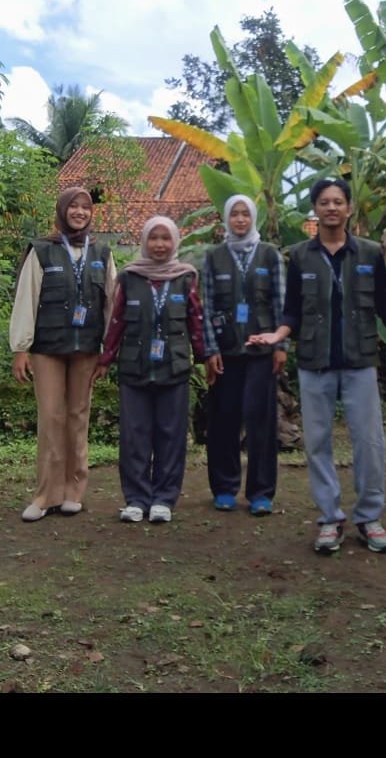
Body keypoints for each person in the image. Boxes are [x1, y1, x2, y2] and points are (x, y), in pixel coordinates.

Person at [247, 178, 386, 554]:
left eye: (338, 201)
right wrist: (278, 336)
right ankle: (330, 519)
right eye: (324, 202)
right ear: (316, 209)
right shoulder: (301, 255)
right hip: (314, 363)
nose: (332, 208)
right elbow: (291, 310)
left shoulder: (370, 254)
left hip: (359, 364)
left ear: (349, 208)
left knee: (369, 443)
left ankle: (369, 517)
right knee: (318, 443)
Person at [10, 187, 117, 522]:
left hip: (86, 348)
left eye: (86, 207)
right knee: (51, 418)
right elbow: (26, 299)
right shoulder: (42, 250)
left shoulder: (101, 251)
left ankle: (73, 492)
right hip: (47, 348)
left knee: (78, 417)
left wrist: (107, 351)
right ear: (62, 210)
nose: (80, 212)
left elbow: (113, 303)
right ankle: (45, 495)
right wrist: (21, 348)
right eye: (74, 206)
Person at [93, 216, 204, 523]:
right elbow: (117, 322)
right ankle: (136, 498)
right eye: (153, 238)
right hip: (134, 367)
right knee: (134, 435)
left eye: (165, 238)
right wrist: (105, 359)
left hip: (175, 367)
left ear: (175, 242)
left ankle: (164, 499)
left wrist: (206, 357)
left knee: (171, 434)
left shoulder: (186, 276)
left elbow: (196, 321)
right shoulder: (130, 277)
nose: (159, 244)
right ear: (144, 241)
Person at [203, 194, 287, 516]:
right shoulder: (214, 257)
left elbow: (280, 305)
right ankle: (224, 488)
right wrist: (210, 350)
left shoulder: (270, 256)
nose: (240, 220)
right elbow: (208, 306)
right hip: (225, 351)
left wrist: (280, 346)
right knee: (223, 420)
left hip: (261, 351)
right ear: (226, 219)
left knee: (261, 422)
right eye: (234, 214)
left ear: (254, 218)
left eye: (245, 214)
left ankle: (261, 492)